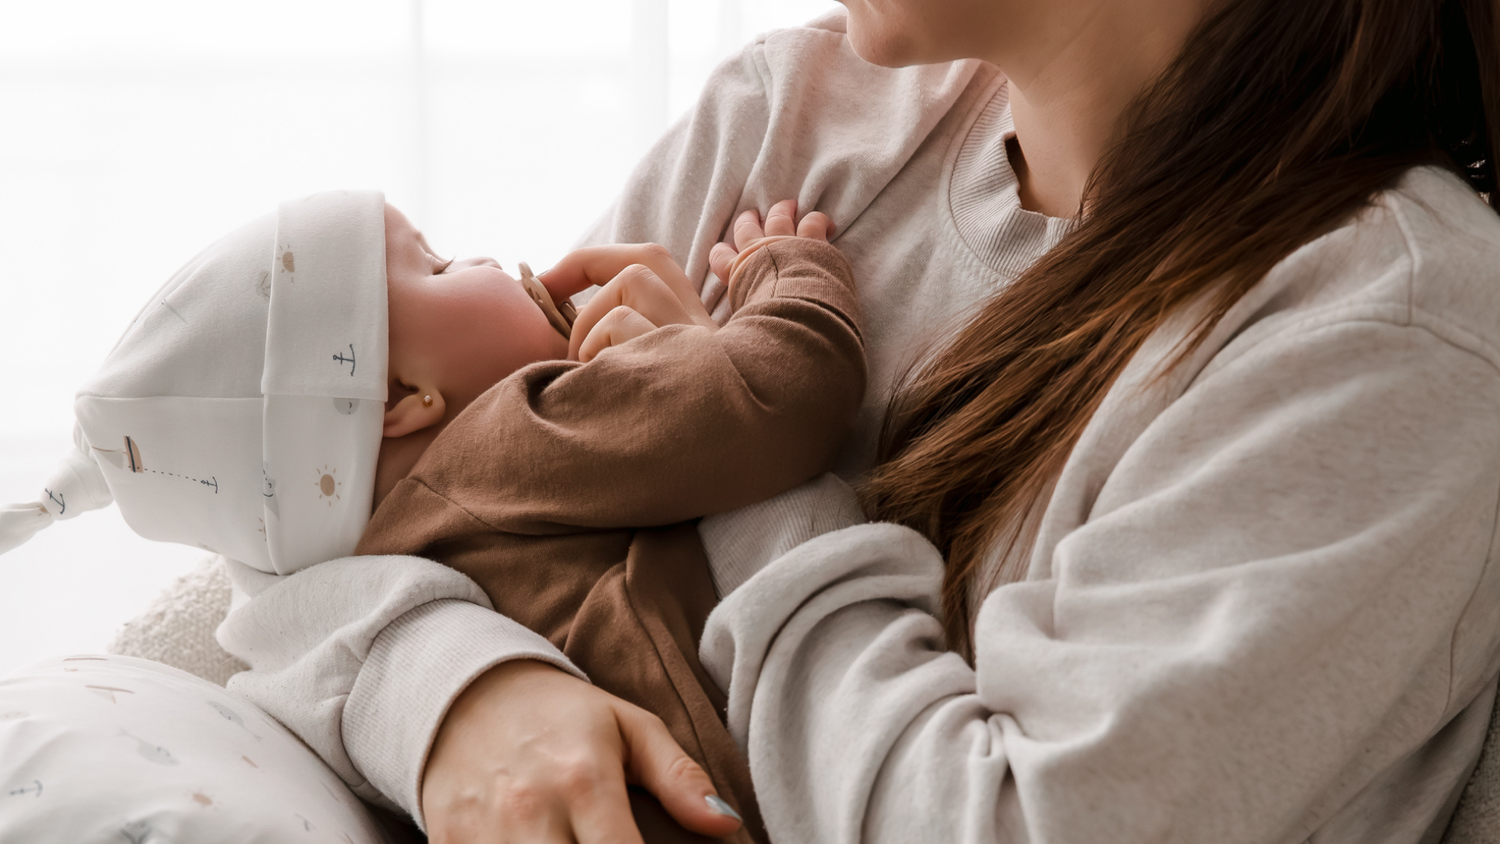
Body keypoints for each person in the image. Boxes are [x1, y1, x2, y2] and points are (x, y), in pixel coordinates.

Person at [215, 1, 1500, 842]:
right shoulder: (792, 116)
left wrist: (724, 440)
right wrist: (458, 692)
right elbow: (331, 499)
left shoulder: (1385, 328)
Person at [0, 187, 861, 844]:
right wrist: (782, 271)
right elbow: (784, 391)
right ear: (400, 396)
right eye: (441, 267)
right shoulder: (516, 433)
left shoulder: (373, 570)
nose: (484, 258)